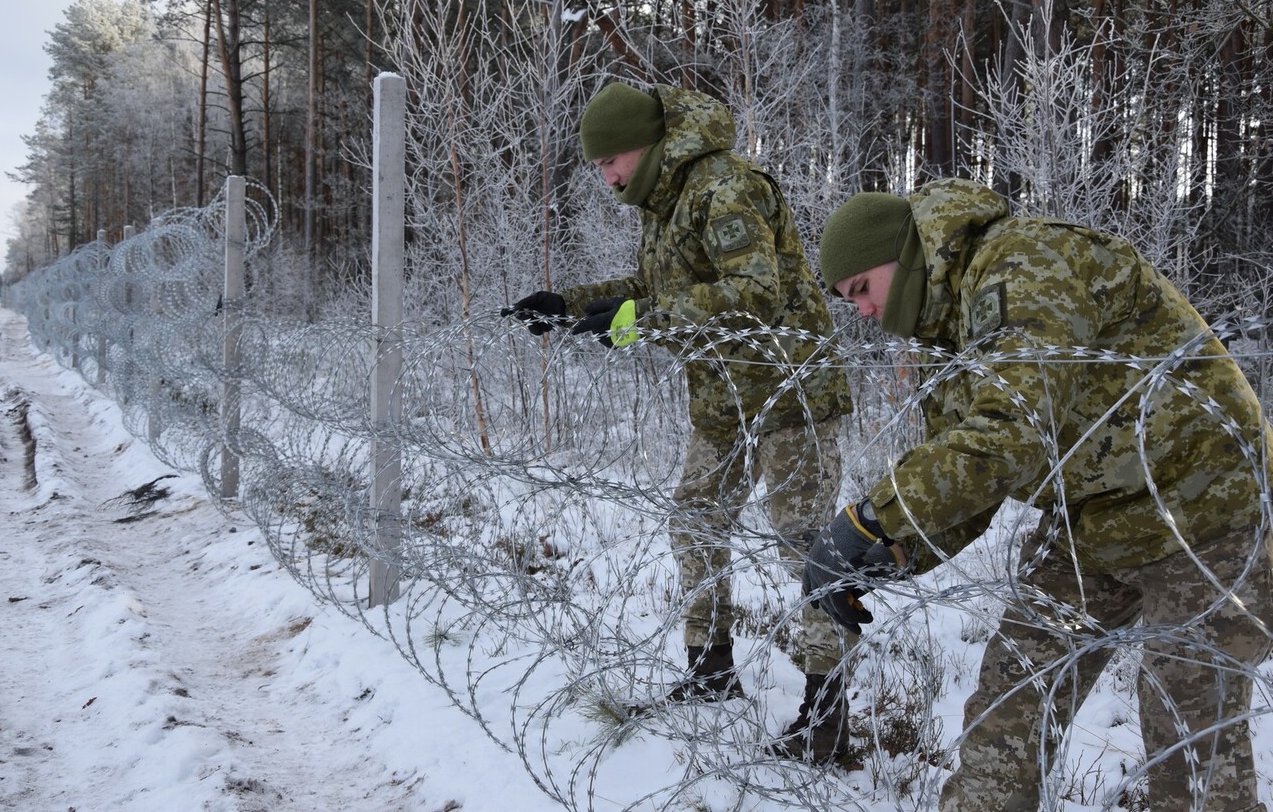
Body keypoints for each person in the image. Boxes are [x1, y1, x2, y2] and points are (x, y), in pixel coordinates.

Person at [802, 177, 1273, 809]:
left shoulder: (1024, 262)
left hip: (1209, 506)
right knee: (1013, 699)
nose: (861, 311)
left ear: (907, 252)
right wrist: (891, 555)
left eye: (861, 288)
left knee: (1185, 728)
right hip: (1095, 521)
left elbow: (1009, 434)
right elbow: (969, 476)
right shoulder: (951, 336)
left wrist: (869, 519)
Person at [503, 82, 855, 761]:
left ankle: (828, 714)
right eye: (598, 166)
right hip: (724, 399)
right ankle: (711, 667)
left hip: (790, 392)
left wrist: (641, 324)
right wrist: (571, 307)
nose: (606, 176)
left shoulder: (723, 187)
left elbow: (756, 292)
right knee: (694, 518)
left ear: (648, 144)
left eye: (612, 161)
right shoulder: (663, 202)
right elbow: (654, 290)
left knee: (805, 546)